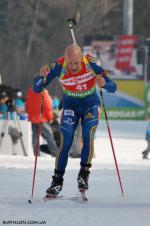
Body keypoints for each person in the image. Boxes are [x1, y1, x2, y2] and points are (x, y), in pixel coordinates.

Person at [33, 44, 117, 198]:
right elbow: (37, 89)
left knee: (88, 135)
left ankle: (83, 175)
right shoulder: (57, 66)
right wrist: (41, 76)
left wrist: (104, 84)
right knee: (66, 141)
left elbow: (113, 87)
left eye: (76, 63)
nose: (72, 66)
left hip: (90, 106)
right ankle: (57, 182)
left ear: (82, 59)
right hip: (70, 106)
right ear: (65, 59)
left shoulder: (92, 63)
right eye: (69, 62)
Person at [25, 86, 58, 156]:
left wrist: (30, 114)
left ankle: (36, 154)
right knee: (49, 136)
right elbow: (48, 106)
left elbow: (27, 104)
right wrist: (50, 117)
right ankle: (56, 154)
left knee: (35, 137)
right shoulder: (43, 91)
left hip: (33, 118)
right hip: (43, 119)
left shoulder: (30, 91)